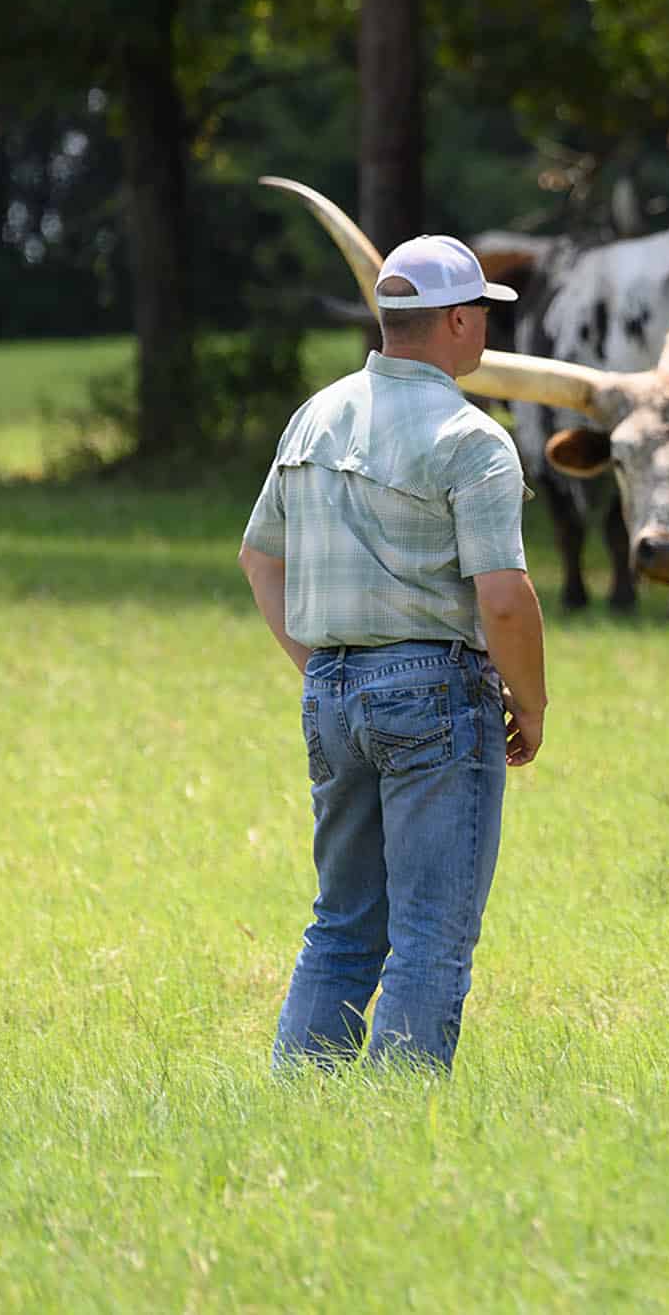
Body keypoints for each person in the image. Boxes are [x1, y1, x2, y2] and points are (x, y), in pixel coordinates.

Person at [236, 232, 550, 1073]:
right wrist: (534, 701)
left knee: (342, 921)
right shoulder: (472, 437)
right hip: (438, 692)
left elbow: (259, 557)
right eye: (482, 310)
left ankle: (304, 1101)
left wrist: (324, 668)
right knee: (431, 933)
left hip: (332, 690)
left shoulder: (317, 412)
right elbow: (505, 597)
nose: (486, 325)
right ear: (454, 320)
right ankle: (399, 1120)